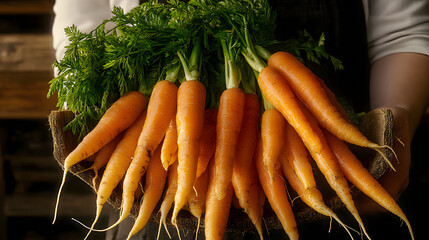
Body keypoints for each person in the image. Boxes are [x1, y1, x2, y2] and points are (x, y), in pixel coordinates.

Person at [52, 0, 429, 239]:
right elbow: (84, 36)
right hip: (162, 197)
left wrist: (399, 123)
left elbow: (402, 33)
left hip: (339, 186)